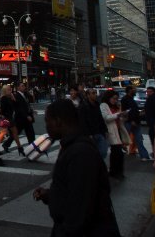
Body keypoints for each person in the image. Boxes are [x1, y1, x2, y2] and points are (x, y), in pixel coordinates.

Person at [33, 99, 120, 236]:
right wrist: (50, 195)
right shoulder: (75, 147)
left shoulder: (80, 153)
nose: (47, 126)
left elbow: (80, 209)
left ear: (58, 121)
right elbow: (74, 190)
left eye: (47, 121)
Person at [100, 90, 127, 179]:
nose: (115, 100)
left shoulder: (116, 106)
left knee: (117, 153)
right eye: (114, 99)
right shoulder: (104, 105)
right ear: (109, 98)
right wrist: (118, 114)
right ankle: (115, 171)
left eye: (116, 99)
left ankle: (116, 171)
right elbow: (106, 118)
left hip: (117, 130)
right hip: (110, 131)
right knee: (117, 152)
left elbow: (120, 119)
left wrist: (121, 113)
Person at [120, 85, 150, 160]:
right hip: (130, 122)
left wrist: (139, 114)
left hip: (135, 122)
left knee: (139, 139)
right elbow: (127, 111)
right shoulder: (125, 99)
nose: (136, 90)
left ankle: (144, 156)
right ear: (130, 90)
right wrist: (131, 120)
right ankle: (120, 150)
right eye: (134, 89)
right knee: (125, 138)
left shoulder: (131, 99)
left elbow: (133, 111)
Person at [79, 88, 109, 159]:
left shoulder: (97, 104)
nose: (95, 95)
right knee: (91, 153)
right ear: (88, 95)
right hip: (90, 134)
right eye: (93, 93)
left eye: (95, 93)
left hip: (99, 132)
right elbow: (83, 121)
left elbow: (100, 118)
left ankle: (98, 166)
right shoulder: (83, 106)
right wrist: (88, 134)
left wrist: (105, 130)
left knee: (103, 152)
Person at [0, 85, 25, 156]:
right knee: (3, 134)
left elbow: (16, 105)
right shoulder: (3, 98)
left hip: (10, 118)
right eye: (8, 89)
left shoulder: (10, 97)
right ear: (5, 91)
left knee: (15, 133)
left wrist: (13, 98)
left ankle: (20, 148)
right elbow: (2, 109)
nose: (10, 90)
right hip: (6, 118)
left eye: (10, 89)